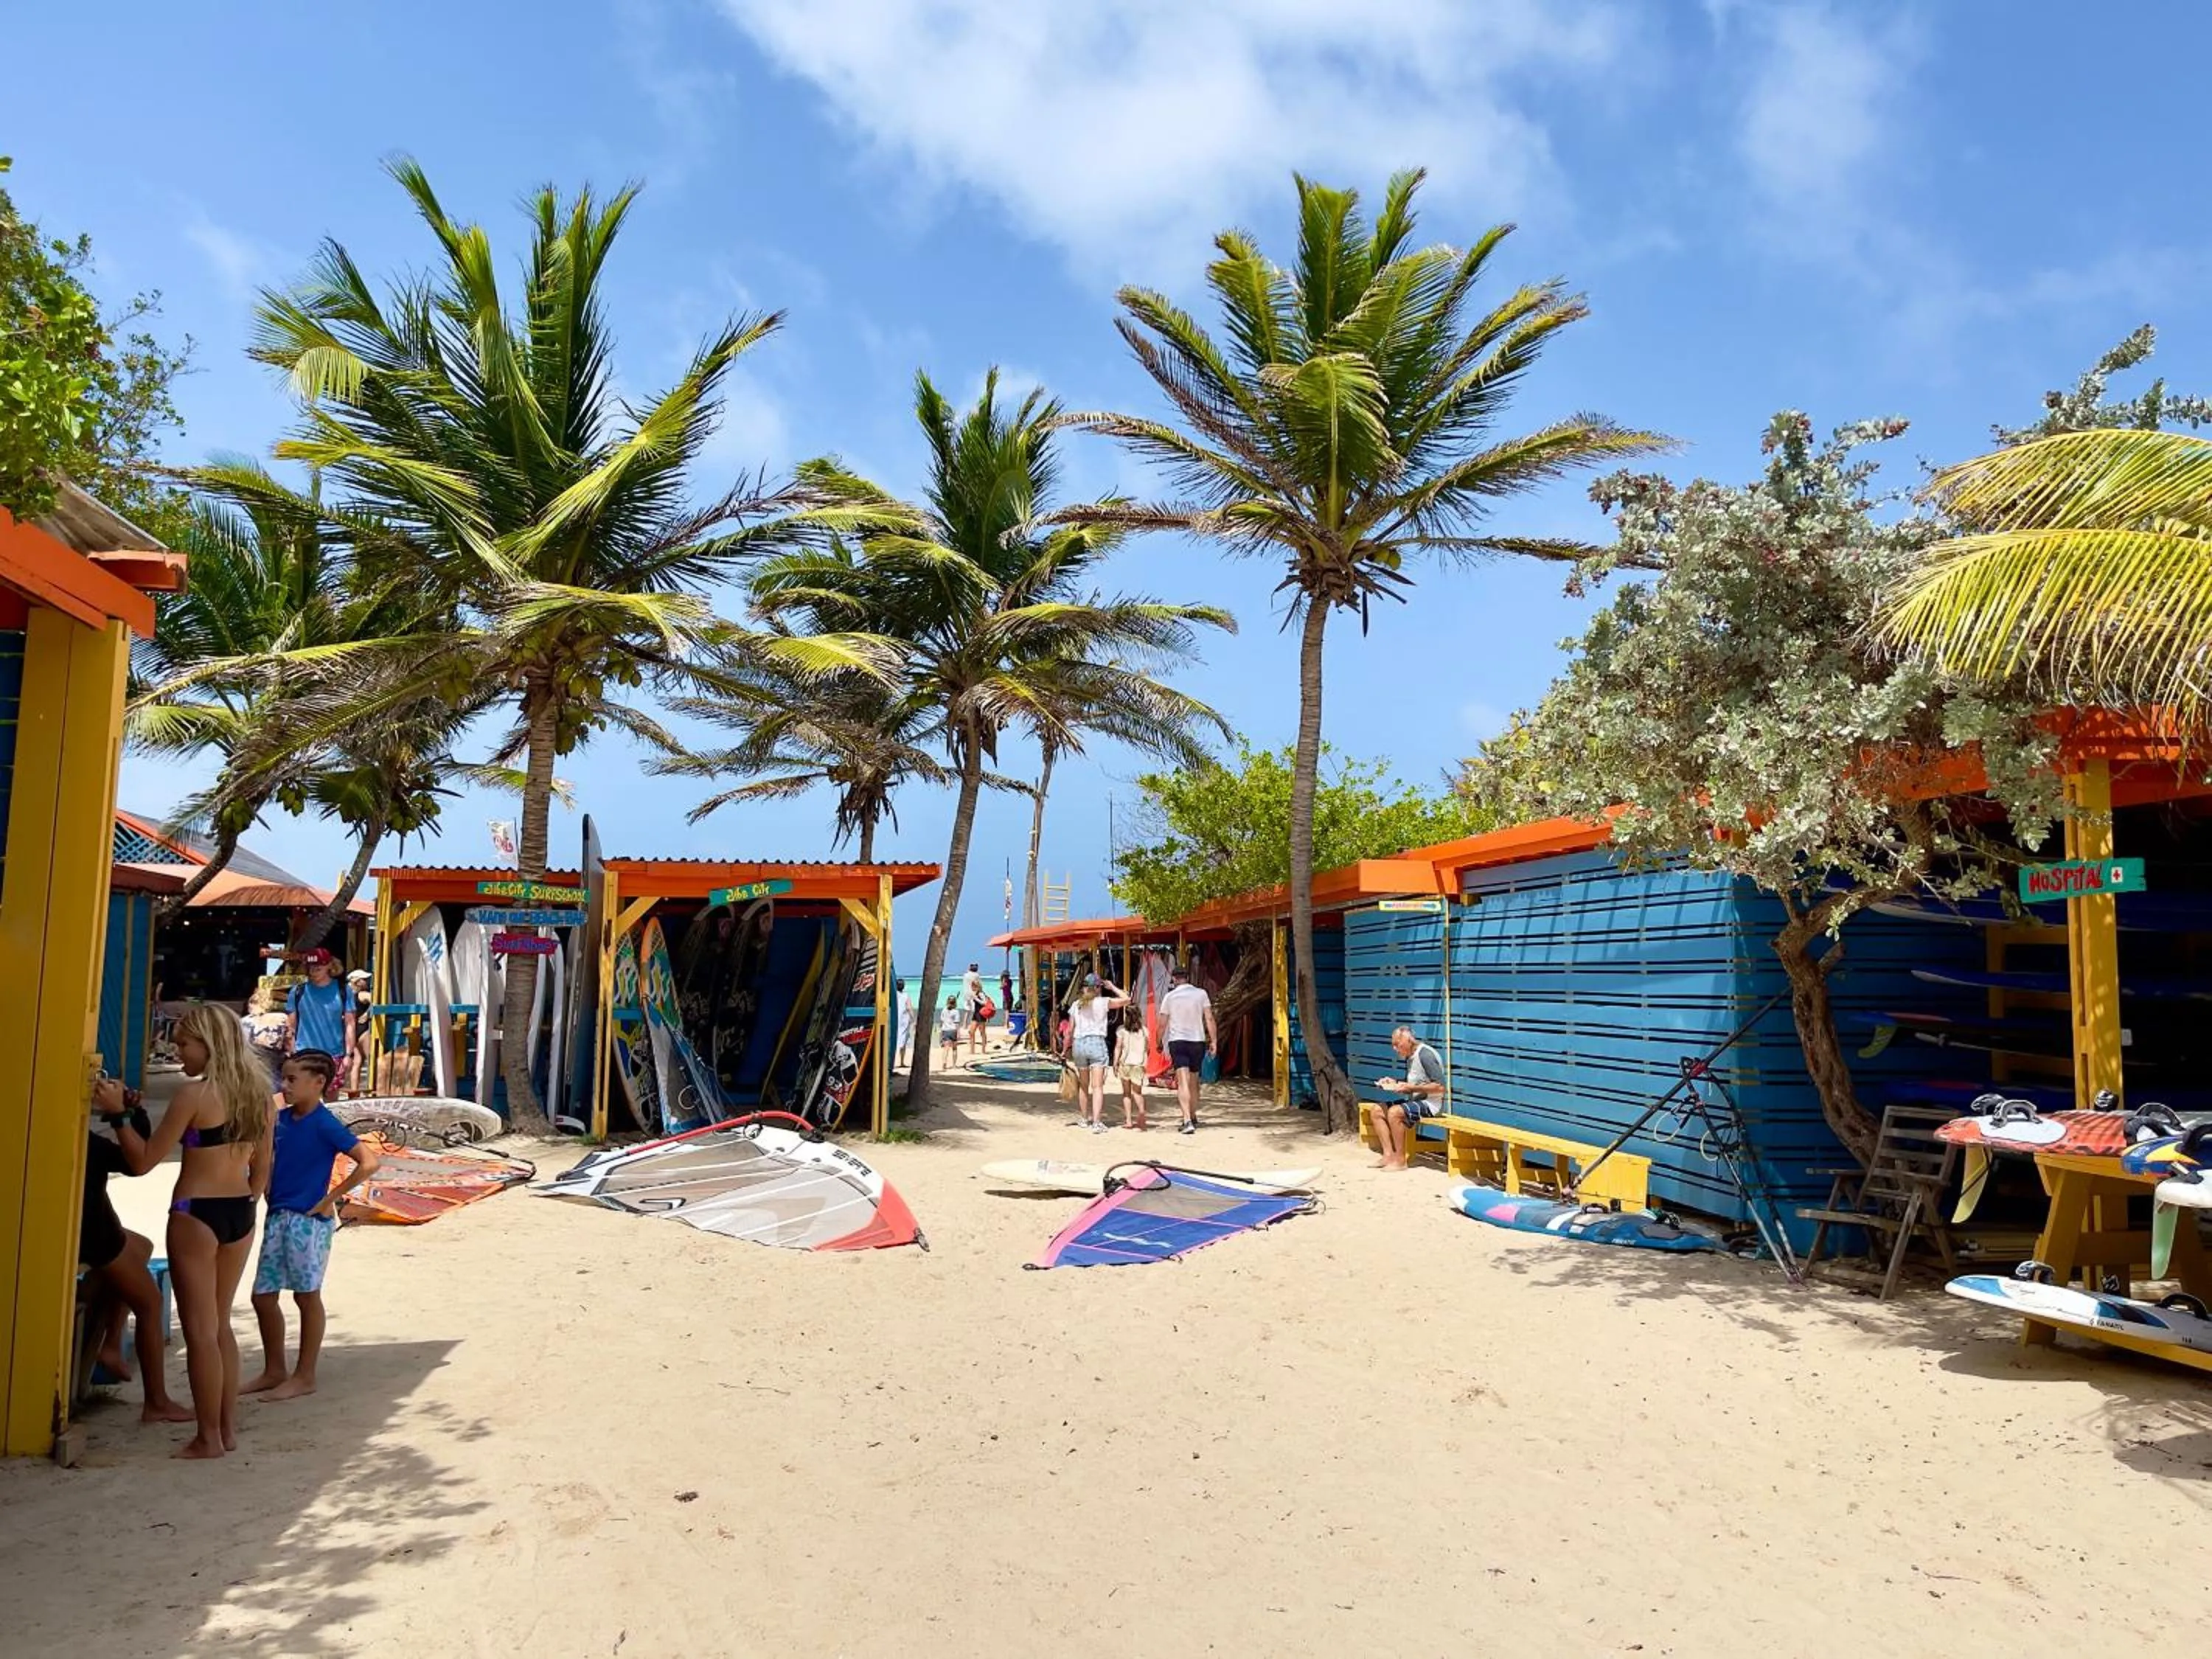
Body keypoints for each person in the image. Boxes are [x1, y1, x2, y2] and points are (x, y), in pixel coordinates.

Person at [105, 1002, 275, 1458]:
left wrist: (119, 1117)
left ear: (209, 1044)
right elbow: (263, 1168)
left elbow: (142, 1163)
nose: (178, 1050)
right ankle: (227, 1430)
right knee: (220, 1326)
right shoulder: (259, 1094)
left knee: (199, 1331)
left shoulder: (193, 1096)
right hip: (239, 1212)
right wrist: (246, 1196)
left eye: (184, 1043)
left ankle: (207, 1439)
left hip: (195, 1213)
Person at [245, 1048, 379, 1401]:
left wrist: (328, 1200)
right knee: (263, 1296)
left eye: (292, 1080)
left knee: (307, 1296)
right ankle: (275, 1369)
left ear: (318, 1083)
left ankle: (305, 1375)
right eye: (283, 1078)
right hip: (278, 1216)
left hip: (308, 1221)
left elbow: (368, 1162)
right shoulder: (281, 1118)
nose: (284, 1086)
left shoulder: (324, 1123)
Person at [81, 1087, 192, 1425]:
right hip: (97, 1239)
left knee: (141, 1246)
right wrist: (120, 1115)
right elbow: (137, 1163)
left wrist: (133, 1113)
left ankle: (112, 1343)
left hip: (96, 1234)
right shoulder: (86, 1144)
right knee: (149, 1303)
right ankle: (156, 1402)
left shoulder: (75, 1139)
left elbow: (135, 1153)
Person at [1373, 1025, 1449, 1171]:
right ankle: (1389, 1155)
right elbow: (1413, 1083)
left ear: (1408, 1041)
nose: (1395, 1049)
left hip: (1431, 1104)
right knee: (1377, 1110)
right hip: (1415, 1100)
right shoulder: (1410, 1056)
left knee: (1395, 1112)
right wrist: (1394, 1084)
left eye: (1397, 1044)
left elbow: (1440, 1087)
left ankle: (1400, 1161)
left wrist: (1411, 1088)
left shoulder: (1425, 1055)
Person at [1158, 963, 1218, 1136]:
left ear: (1175, 979)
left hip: (1178, 1041)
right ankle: (1193, 1114)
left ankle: (1186, 1120)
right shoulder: (1201, 994)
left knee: (1182, 1082)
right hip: (1197, 1041)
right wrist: (1214, 1041)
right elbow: (1210, 1018)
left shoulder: (1170, 997)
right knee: (1194, 1081)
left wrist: (1158, 1042)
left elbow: (1162, 1023)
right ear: (1188, 977)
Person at [1065, 973, 1128, 1133]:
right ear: (1098, 988)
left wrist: (1065, 1049)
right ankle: (1097, 1122)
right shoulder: (1103, 1002)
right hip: (1097, 1043)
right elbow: (1127, 999)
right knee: (1098, 1086)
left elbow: (1070, 1030)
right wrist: (1112, 986)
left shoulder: (1076, 1004)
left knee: (1084, 1086)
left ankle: (1084, 1119)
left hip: (1079, 1044)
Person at [286, 950, 356, 1093]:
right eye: (311, 967)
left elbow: (350, 1024)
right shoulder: (297, 992)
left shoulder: (343, 990)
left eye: (319, 967)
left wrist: (348, 1055)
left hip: (334, 1055)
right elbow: (291, 1027)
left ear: (330, 966)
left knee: (331, 1103)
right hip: (304, 1054)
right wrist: (292, 1054)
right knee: (303, 1099)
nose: (314, 971)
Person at [240, 985, 290, 1085]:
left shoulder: (241, 1022)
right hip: (272, 1067)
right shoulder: (281, 1018)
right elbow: (289, 1044)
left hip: (247, 1066)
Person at [1112, 1006, 1150, 1130]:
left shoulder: (1121, 1030)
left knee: (1127, 1094)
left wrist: (1115, 1062)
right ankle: (1142, 1111)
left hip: (1125, 1063)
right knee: (1138, 1093)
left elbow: (1118, 1047)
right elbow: (1147, 1049)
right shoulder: (1144, 1031)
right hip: (1139, 1063)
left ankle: (1128, 1120)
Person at [342, 968, 374, 1096]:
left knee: (358, 1062)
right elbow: (376, 1001)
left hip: (352, 1032)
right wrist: (367, 1014)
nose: (367, 981)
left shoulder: (346, 996)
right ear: (358, 982)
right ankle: (371, 1091)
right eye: (364, 979)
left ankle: (354, 1093)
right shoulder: (362, 994)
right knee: (372, 1059)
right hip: (363, 1030)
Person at [961, 962, 987, 1057]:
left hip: (981, 1014)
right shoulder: (974, 992)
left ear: (976, 987)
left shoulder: (981, 994)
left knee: (982, 1032)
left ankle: (983, 1050)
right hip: (976, 1014)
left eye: (973, 986)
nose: (971, 988)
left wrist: (975, 998)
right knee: (971, 1032)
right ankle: (972, 1050)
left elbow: (984, 1003)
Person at [895, 980, 919, 1068]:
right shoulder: (906, 996)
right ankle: (901, 1062)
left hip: (895, 1019)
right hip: (904, 1020)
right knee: (903, 1040)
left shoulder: (893, 995)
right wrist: (914, 1019)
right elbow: (909, 1008)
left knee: (895, 1039)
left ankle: (893, 1062)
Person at [938, 992, 964, 1068]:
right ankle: (954, 1065)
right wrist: (959, 1033)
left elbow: (941, 1022)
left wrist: (940, 1031)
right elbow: (957, 1024)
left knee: (946, 1049)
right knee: (954, 1048)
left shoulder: (944, 1010)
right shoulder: (956, 1012)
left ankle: (944, 1063)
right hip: (953, 1031)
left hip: (945, 1030)